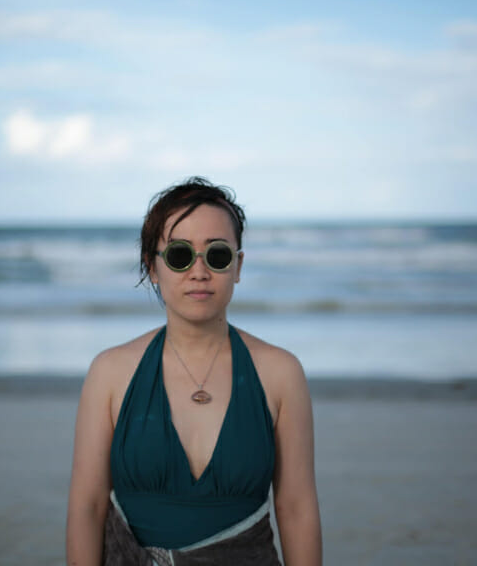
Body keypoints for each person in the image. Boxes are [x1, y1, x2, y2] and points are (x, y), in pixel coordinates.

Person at [66, 177, 322, 565]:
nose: (199, 271)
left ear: (237, 266)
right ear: (153, 267)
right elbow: (88, 506)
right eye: (179, 255)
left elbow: (297, 508)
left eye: (217, 255)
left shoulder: (281, 373)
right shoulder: (110, 373)